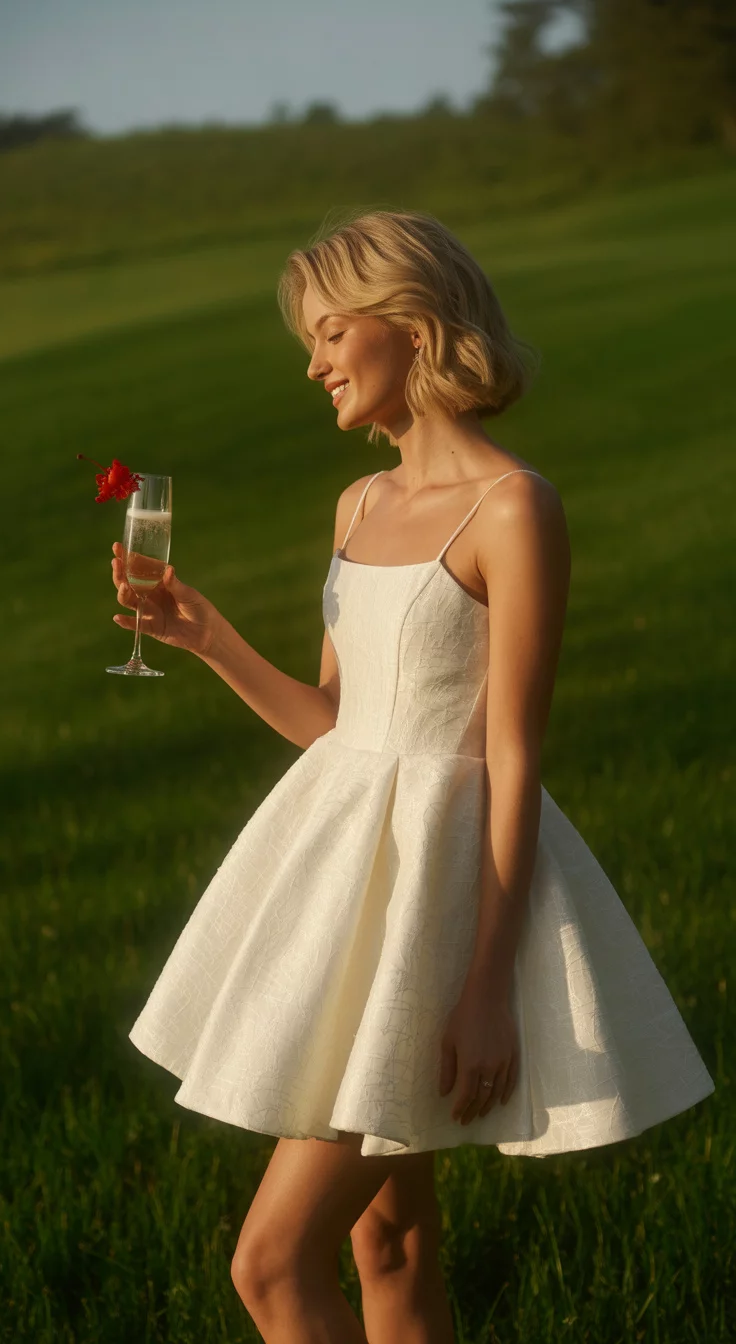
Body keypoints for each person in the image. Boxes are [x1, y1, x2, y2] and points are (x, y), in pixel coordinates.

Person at [114, 210, 714, 1344]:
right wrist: (209, 640)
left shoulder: (513, 510)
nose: (314, 362)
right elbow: (340, 727)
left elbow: (512, 756)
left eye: (332, 331)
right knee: (387, 1245)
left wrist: (485, 989)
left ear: (414, 324)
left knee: (269, 1265)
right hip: (348, 895)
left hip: (436, 914)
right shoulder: (359, 506)